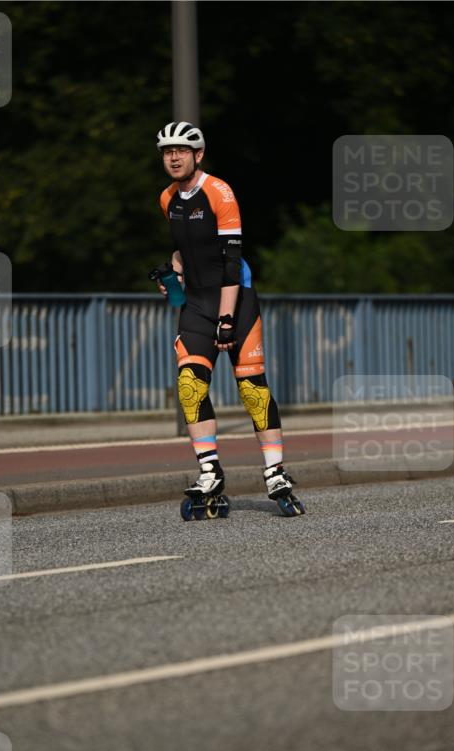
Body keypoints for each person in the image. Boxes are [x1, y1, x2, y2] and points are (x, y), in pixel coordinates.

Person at [155, 120, 301, 509]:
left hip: (236, 299)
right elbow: (184, 249)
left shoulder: (220, 192)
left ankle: (275, 471)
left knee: (252, 389)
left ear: (197, 155)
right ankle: (209, 471)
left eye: (181, 151)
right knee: (190, 386)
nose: (173, 157)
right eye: (167, 151)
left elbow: (231, 263)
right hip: (195, 302)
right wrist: (175, 270)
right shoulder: (167, 198)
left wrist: (225, 318)